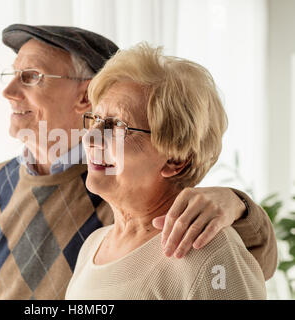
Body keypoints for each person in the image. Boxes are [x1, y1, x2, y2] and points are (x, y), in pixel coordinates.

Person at [0, 24, 276, 300]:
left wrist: (237, 204)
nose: (8, 91)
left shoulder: (122, 184)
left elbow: (246, 259)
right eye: (96, 120)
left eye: (31, 76)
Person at [65, 43, 267, 299]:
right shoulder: (93, 245)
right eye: (96, 119)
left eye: (116, 126)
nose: (91, 137)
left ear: (175, 160)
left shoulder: (209, 250)